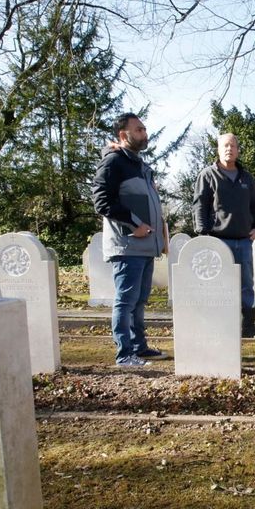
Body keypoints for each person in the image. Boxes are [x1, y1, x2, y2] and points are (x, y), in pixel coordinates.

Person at [91, 112, 168, 367]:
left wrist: (162, 237)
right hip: (127, 246)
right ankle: (124, 355)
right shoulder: (113, 162)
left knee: (139, 300)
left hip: (146, 247)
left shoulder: (140, 166)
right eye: (139, 130)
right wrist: (133, 224)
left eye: (144, 129)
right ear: (123, 135)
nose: (144, 134)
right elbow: (101, 201)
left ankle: (139, 347)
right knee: (125, 300)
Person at [192, 133, 255, 337]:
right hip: (217, 241)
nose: (229, 149)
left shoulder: (246, 177)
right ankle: (218, 326)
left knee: (246, 285)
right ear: (218, 149)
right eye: (225, 145)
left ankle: (248, 327)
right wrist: (204, 235)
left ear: (238, 150)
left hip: (243, 241)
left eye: (233, 145)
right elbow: (200, 206)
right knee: (217, 287)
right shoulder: (207, 175)